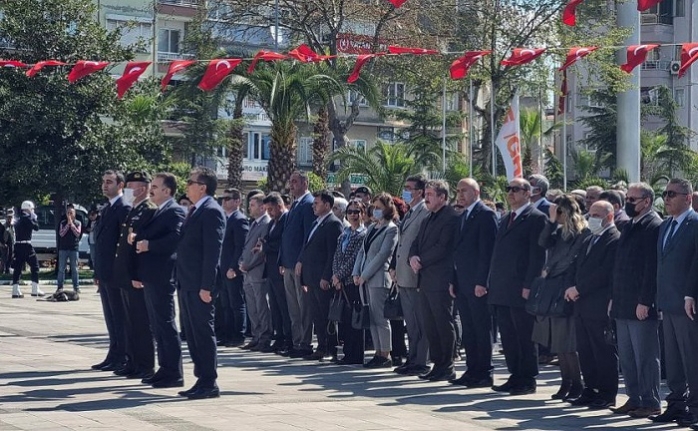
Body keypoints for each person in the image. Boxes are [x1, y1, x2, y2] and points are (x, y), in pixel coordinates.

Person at [609, 182, 662, 418]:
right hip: (622, 302)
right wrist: (614, 297)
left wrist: (645, 300)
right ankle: (634, 397)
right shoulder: (629, 225)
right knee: (628, 357)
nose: (628, 202)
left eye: (632, 199)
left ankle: (650, 401)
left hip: (641, 304)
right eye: (627, 198)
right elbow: (620, 266)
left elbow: (651, 269)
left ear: (646, 202)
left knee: (645, 357)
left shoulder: (654, 226)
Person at [488, 178, 546, 395]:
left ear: (528, 193)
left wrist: (529, 284)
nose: (510, 193)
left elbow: (537, 256)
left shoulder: (536, 218)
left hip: (521, 286)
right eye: (508, 189)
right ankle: (515, 374)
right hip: (503, 286)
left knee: (524, 334)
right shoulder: (506, 218)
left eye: (515, 189)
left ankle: (527, 378)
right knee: (509, 335)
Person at [650, 179, 698, 427]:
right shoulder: (666, 225)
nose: (666, 198)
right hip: (667, 303)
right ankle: (677, 404)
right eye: (664, 193)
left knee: (692, 357)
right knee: (673, 359)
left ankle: (696, 408)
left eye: (672, 194)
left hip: (686, 304)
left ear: (688, 198)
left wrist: (690, 294)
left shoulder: (695, 224)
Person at [132, 172, 186, 388]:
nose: (151, 189)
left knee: (165, 323)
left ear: (167, 190)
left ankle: (174, 372)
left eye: (155, 186)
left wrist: (149, 245)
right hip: (151, 275)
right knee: (156, 325)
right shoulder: (157, 210)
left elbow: (175, 240)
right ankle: (164, 368)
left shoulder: (175, 212)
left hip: (162, 275)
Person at [176, 167, 226, 400]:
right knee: (193, 334)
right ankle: (201, 378)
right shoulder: (197, 210)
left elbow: (212, 252)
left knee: (202, 332)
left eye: (190, 182)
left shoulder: (211, 211)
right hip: (187, 282)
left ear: (202, 187)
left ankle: (209, 381)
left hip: (199, 285)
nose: (187, 186)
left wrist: (207, 286)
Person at [532, 196, 589, 401]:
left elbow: (570, 259)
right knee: (558, 342)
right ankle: (566, 381)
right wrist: (551, 222)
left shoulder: (582, 233)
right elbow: (543, 242)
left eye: (559, 212)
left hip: (565, 287)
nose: (557, 216)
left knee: (568, 343)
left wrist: (550, 269)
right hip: (553, 288)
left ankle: (576, 383)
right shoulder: (559, 231)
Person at [564, 200, 620, 409]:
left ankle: (606, 393)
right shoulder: (590, 238)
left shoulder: (614, 239)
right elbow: (576, 265)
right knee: (585, 350)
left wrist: (579, 289)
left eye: (597, 214)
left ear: (609, 216)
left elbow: (604, 273)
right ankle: (591, 389)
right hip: (581, 304)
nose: (592, 217)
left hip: (598, 303)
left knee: (602, 350)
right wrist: (570, 285)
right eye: (591, 213)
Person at [409, 180, 460, 381]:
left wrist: (421, 260)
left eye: (430, 194)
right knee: (430, 325)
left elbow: (443, 247)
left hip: (440, 279)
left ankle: (447, 365)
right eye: (426, 194)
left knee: (442, 323)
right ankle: (437, 364)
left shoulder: (450, 218)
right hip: (425, 279)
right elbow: (415, 243)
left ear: (442, 197)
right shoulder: (428, 219)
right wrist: (412, 257)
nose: (426, 198)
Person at [449, 178, 498, 388]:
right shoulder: (463, 215)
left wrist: (482, 281)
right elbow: (457, 252)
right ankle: (472, 369)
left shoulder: (486, 215)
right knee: (468, 329)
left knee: (481, 328)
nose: (460, 194)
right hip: (462, 282)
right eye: (458, 191)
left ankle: (484, 372)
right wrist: (453, 280)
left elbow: (488, 252)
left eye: (464, 191)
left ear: (476, 193)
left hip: (477, 284)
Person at [112, 171, 157, 380]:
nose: (128, 189)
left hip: (136, 276)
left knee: (141, 322)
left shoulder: (148, 210)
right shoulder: (134, 209)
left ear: (144, 188)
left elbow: (142, 245)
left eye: (132, 185)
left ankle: (145, 364)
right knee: (130, 321)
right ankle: (132, 360)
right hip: (126, 275)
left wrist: (137, 274)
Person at [390, 175, 431, 375]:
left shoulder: (424, 211)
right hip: (403, 274)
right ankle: (412, 357)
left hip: (415, 275)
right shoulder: (410, 212)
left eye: (409, 188)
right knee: (410, 321)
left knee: (419, 320)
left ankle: (420, 360)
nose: (406, 191)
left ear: (420, 192)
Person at [353, 193, 399, 368]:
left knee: (381, 318)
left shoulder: (391, 229)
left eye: (379, 207)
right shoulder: (372, 227)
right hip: (364, 279)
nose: (376, 210)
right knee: (371, 317)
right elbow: (362, 252)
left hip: (378, 279)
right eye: (375, 207)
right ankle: (377, 352)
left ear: (388, 208)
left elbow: (382, 255)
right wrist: (356, 273)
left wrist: (365, 274)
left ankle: (385, 353)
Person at [92, 170, 131, 372]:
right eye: (103, 182)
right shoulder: (107, 208)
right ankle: (113, 353)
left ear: (120, 185)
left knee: (119, 316)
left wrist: (119, 271)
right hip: (105, 271)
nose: (105, 185)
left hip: (116, 273)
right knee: (110, 316)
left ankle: (122, 355)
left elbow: (122, 244)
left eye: (109, 182)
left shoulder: (123, 208)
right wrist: (97, 272)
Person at [298, 190, 343, 361]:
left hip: (322, 279)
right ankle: (322, 346)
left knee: (325, 315)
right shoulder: (316, 223)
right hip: (311, 277)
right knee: (316, 314)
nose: (313, 206)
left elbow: (333, 254)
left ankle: (330, 347)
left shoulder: (333, 224)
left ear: (327, 205)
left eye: (317, 203)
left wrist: (326, 276)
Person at [278, 171, 316, 358]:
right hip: (288, 263)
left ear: (305, 183)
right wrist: (282, 260)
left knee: (303, 306)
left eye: (295, 182)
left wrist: (301, 260)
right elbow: (286, 236)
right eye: (290, 182)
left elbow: (307, 236)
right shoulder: (295, 204)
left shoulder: (308, 204)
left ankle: (305, 343)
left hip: (299, 264)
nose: (291, 185)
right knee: (293, 306)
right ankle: (296, 341)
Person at [331, 199, 368, 365]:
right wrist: (335, 276)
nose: (353, 215)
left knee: (355, 320)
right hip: (341, 283)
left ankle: (356, 354)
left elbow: (354, 259)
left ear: (362, 214)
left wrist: (340, 275)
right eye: (351, 212)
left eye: (357, 212)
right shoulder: (343, 234)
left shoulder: (363, 234)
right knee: (345, 320)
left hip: (353, 281)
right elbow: (337, 256)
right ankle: (347, 353)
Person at [239, 193, 272, 352]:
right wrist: (241, 262)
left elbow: (261, 251)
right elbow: (247, 246)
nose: (249, 208)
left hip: (257, 272)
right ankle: (256, 335)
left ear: (262, 206)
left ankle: (264, 337)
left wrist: (248, 265)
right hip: (247, 273)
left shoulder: (266, 223)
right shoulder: (254, 223)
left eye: (252, 205)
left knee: (261, 306)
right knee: (252, 307)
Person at [218, 188, 249, 348]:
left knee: (236, 303)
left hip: (232, 270)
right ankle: (228, 334)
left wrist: (234, 268)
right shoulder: (226, 218)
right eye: (223, 198)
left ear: (237, 201)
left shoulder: (239, 219)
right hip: (223, 269)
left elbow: (240, 247)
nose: (224, 201)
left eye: (228, 198)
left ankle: (238, 335)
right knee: (225, 304)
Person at [261, 193, 291, 354]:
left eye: (271, 209)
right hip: (271, 271)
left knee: (283, 306)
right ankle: (279, 337)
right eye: (267, 210)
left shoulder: (285, 220)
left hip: (280, 270)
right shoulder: (273, 223)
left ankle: (288, 338)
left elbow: (280, 244)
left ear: (280, 206)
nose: (269, 213)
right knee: (275, 307)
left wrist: (265, 247)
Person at [10, 201, 43, 298]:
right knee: (35, 266)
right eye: (32, 209)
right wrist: (34, 218)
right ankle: (35, 289)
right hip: (27, 246)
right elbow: (36, 227)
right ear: (28, 208)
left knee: (18, 268)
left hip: (18, 245)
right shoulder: (27, 219)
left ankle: (15, 290)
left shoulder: (17, 218)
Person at [56, 204, 82, 294]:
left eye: (71, 212)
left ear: (74, 213)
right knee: (61, 268)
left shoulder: (78, 223)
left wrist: (72, 225)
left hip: (74, 248)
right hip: (63, 248)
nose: (70, 214)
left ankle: (76, 287)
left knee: (74, 269)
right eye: (68, 213)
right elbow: (61, 234)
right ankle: (60, 287)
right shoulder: (62, 223)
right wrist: (68, 224)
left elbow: (77, 233)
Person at [1, 209, 14, 275]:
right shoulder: (3, 226)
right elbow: (1, 235)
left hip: (11, 244)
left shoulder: (12, 226)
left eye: (11, 217)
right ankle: (2, 270)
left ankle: (7, 270)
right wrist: (3, 243)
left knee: (10, 257)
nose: (10, 219)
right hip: (4, 244)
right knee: (4, 257)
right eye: (9, 217)